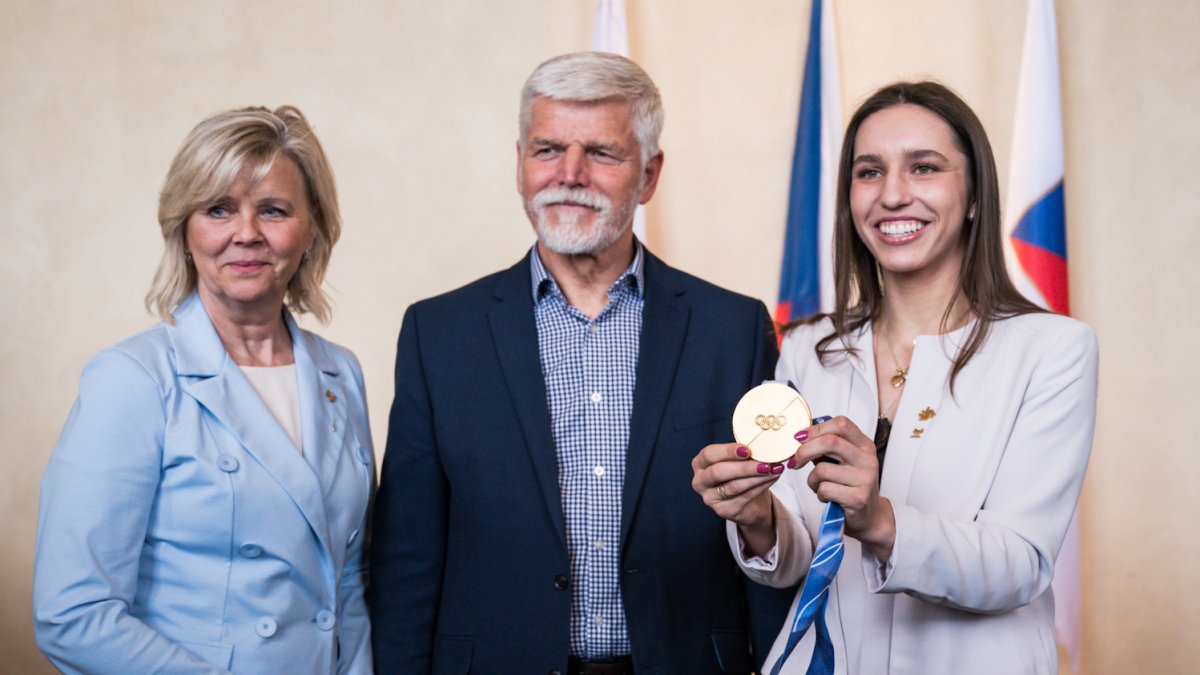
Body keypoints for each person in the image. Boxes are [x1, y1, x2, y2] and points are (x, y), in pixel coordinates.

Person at [368, 51, 792, 674]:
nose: (570, 174)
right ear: (519, 165)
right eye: (547, 150)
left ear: (648, 174)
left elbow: (762, 527)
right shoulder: (439, 335)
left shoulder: (732, 329)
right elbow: (407, 560)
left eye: (601, 153)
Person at [692, 81, 1098, 674]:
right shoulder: (809, 347)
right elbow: (796, 558)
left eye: (924, 168)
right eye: (869, 172)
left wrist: (879, 520)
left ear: (976, 194)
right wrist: (755, 517)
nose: (893, 195)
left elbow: (1020, 564)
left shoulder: (1052, 350)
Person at [33, 106, 374, 674]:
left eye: (273, 210)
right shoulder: (133, 379)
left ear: (311, 227)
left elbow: (349, 583)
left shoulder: (342, 373)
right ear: (184, 228)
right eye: (218, 209)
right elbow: (74, 612)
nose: (247, 233)